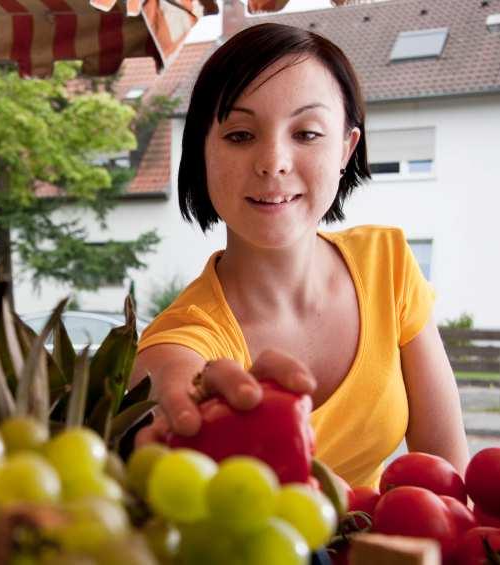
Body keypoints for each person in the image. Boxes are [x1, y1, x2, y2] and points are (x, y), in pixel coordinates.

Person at [130, 22, 468, 488]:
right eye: (240, 135)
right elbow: (177, 377)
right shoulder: (182, 333)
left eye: (306, 134)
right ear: (202, 152)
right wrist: (187, 401)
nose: (274, 161)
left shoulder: (387, 262)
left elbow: (449, 481)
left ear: (347, 148)